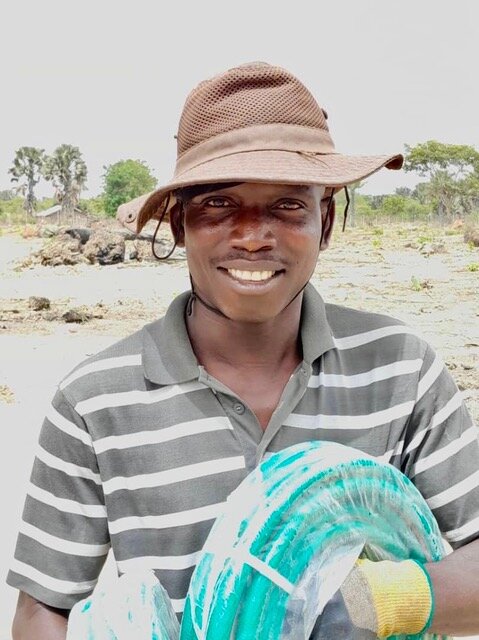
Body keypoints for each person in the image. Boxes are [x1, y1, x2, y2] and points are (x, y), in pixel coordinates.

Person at [8, 61, 479, 639]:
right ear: (179, 225)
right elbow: (43, 609)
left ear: (324, 221)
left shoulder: (403, 370)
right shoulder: (95, 400)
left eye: (287, 205)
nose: (254, 235)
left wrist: (369, 600)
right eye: (218, 205)